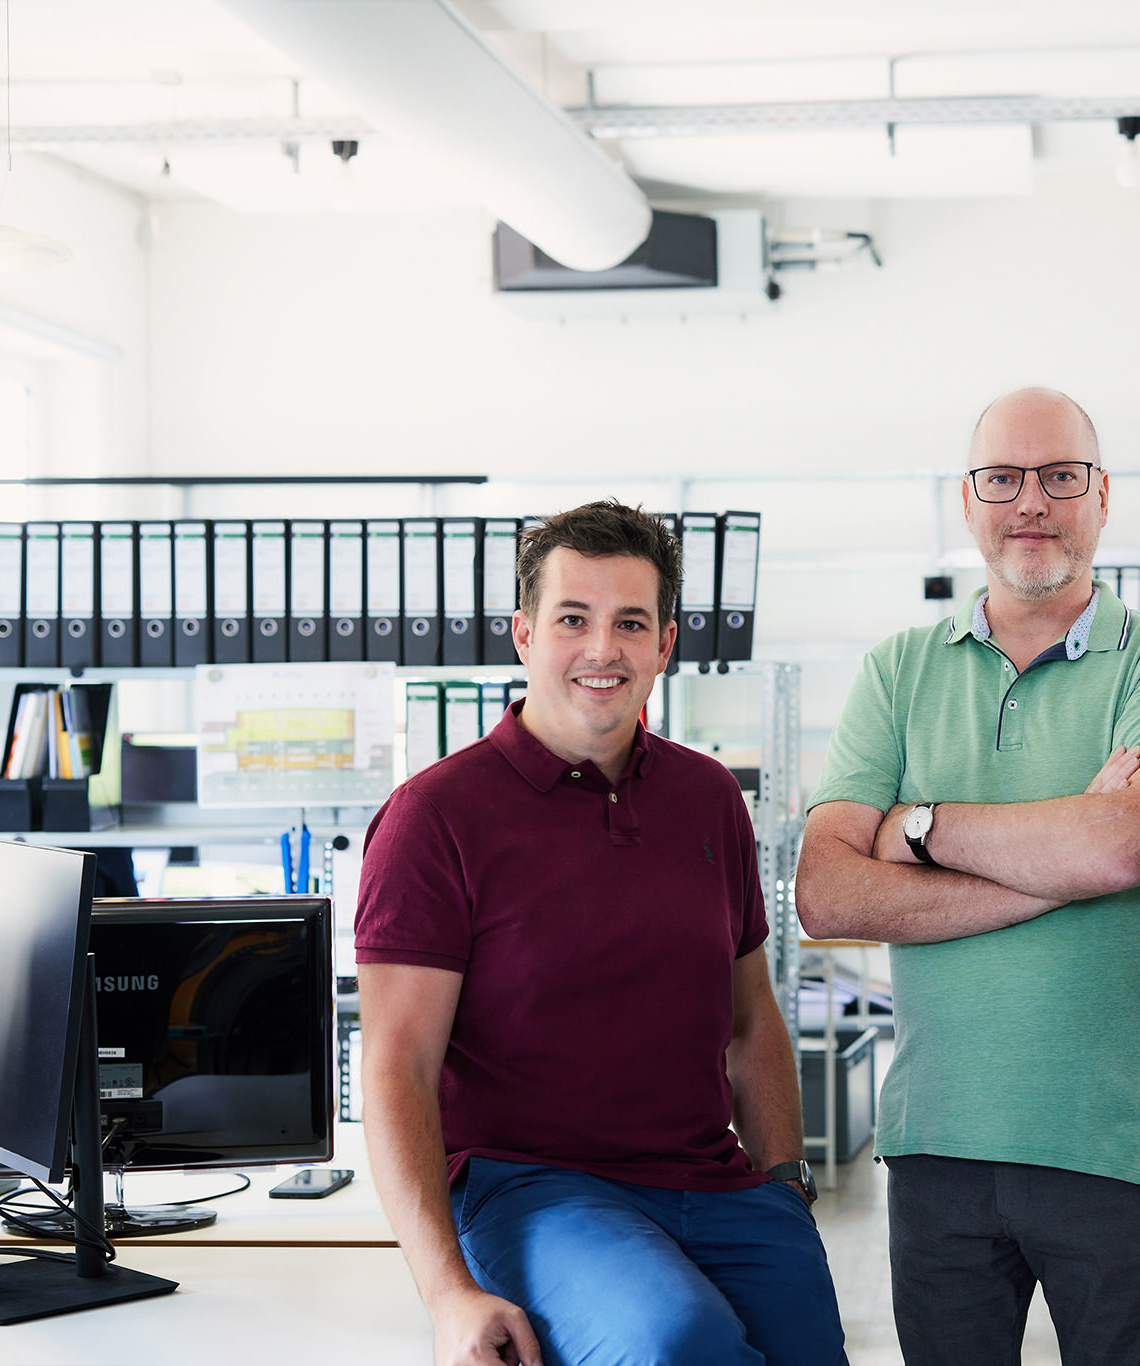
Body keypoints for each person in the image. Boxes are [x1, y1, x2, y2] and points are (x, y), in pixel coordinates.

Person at [357, 501, 846, 1366]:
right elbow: (397, 1066)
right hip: (534, 1191)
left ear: (665, 645)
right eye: (572, 620)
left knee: (806, 1344)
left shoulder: (709, 799)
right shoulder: (433, 817)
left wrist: (784, 1184)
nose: (601, 650)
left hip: (715, 1183)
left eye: (630, 623)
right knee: (676, 1340)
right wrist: (447, 1295)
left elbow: (748, 1019)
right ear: (523, 634)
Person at [796, 387, 1140, 1366]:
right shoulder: (898, 671)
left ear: (1101, 496)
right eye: (1003, 478)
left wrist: (919, 826)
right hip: (936, 1144)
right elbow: (826, 895)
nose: (1030, 501)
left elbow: (1120, 849)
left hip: (1114, 1148)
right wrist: (1054, 861)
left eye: (1059, 476)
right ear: (968, 499)